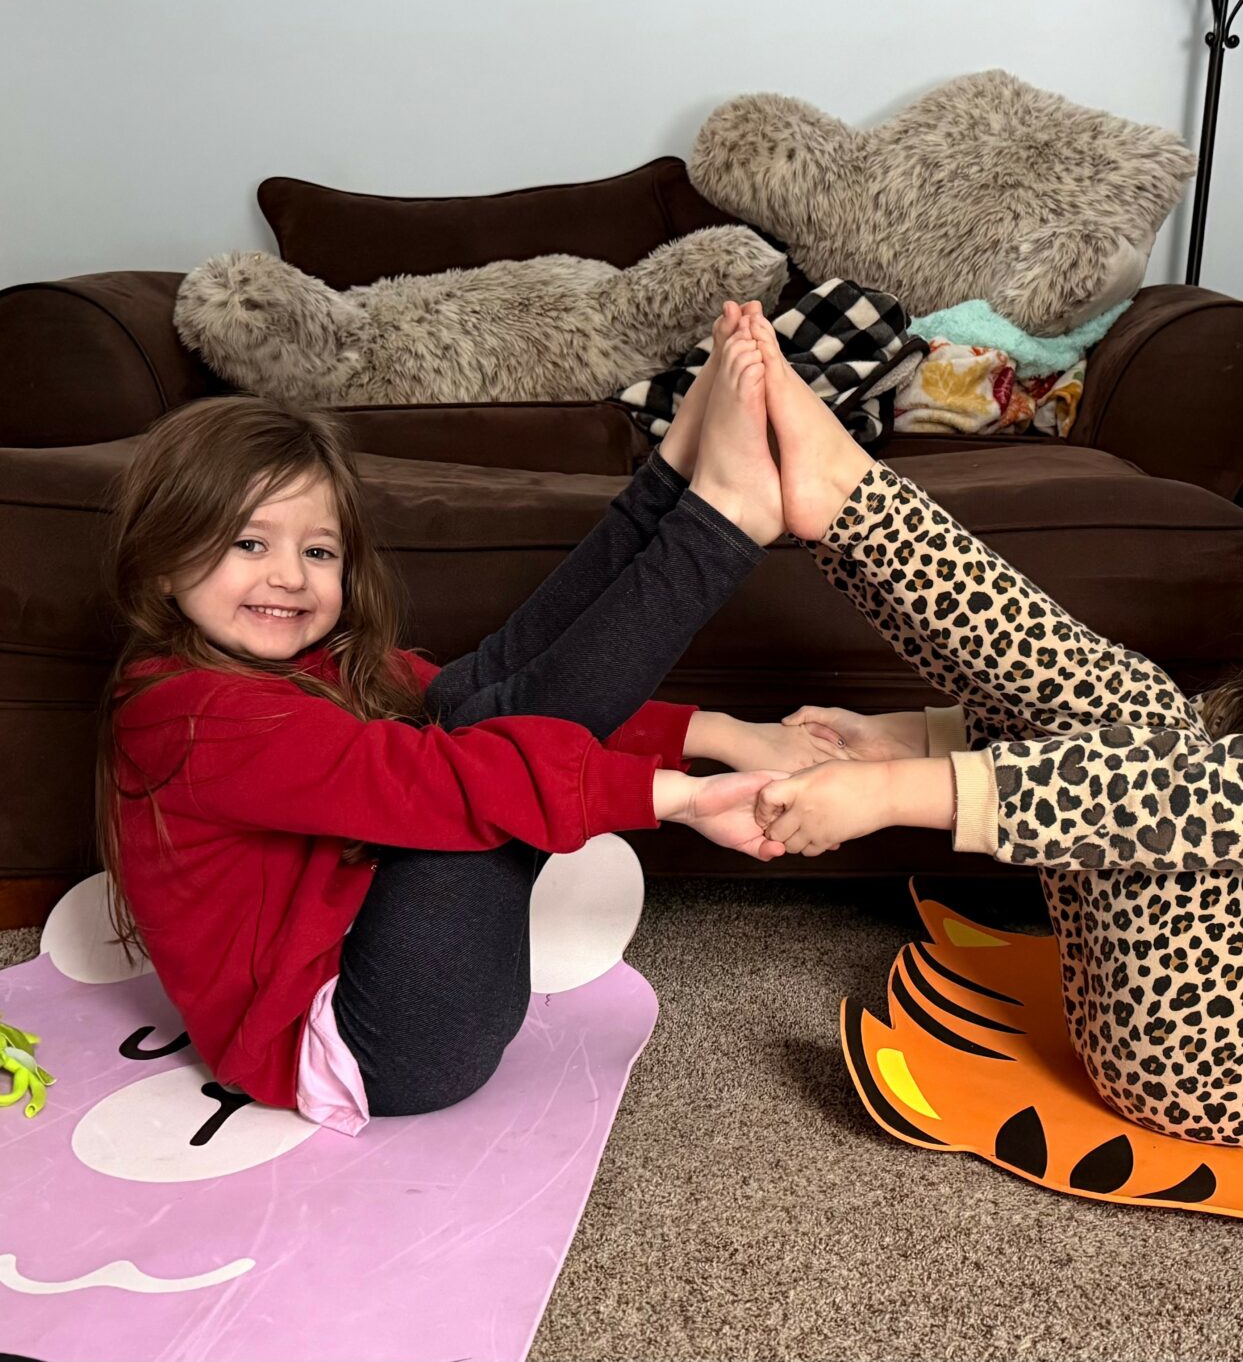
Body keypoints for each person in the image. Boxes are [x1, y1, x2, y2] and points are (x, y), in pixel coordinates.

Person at [741, 307, 1243, 1156]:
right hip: (1196, 1029)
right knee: (1136, 718)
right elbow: (1105, 740)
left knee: (1146, 732)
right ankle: (843, 507)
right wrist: (907, 740)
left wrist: (891, 794)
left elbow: (1176, 799)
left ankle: (851, 502)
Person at [99, 304, 825, 1128]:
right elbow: (450, 780)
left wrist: (726, 735)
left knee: (466, 697)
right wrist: (681, 799)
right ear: (162, 565)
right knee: (471, 752)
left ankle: (671, 484)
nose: (291, 578)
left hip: (418, 984)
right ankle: (719, 523)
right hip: (379, 1045)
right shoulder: (189, 714)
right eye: (249, 544)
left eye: (318, 551)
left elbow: (507, 690)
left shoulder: (314, 661)